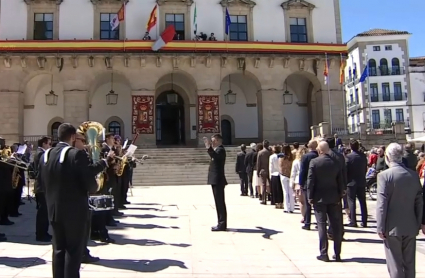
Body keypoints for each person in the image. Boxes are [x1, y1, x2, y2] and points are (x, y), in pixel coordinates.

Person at [39, 123, 104, 278]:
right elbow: (90, 185)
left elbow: (41, 183)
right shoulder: (76, 154)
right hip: (74, 212)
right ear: (73, 137)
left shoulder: (46, 155)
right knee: (73, 251)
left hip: (53, 210)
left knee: (58, 249)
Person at [376, 143, 423, 278]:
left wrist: (380, 226)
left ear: (388, 157)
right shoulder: (413, 175)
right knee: (409, 264)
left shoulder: (384, 176)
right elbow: (419, 202)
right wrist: (418, 223)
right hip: (410, 225)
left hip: (391, 226)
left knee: (395, 263)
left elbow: (382, 204)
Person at [74, 132, 114, 263]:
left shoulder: (80, 154)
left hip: (79, 195)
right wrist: (104, 162)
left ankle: (87, 245)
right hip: (79, 197)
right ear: (75, 140)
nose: (85, 143)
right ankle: (82, 253)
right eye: (82, 140)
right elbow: (88, 172)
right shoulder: (77, 155)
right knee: (81, 227)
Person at [307, 142, 344, 262]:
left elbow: (310, 181)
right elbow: (340, 181)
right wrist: (340, 195)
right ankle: (337, 254)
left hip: (319, 198)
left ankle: (324, 253)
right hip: (334, 198)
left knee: (321, 225)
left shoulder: (315, 162)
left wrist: (310, 196)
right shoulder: (336, 162)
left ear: (320, 150)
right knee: (336, 226)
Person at [204, 134, 227, 232]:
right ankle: (220, 223)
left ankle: (222, 224)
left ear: (217, 140)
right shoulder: (217, 150)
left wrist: (209, 147)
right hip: (216, 180)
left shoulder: (220, 150)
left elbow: (215, 157)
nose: (212, 142)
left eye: (213, 141)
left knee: (220, 203)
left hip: (218, 180)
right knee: (218, 203)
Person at [345, 139, 368, 227]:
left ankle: (353, 221)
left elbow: (346, 170)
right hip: (361, 181)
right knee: (362, 201)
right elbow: (365, 168)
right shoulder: (363, 156)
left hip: (351, 182)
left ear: (350, 146)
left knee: (351, 202)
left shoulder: (348, 157)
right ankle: (364, 221)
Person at [34, 136, 52, 242]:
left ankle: (43, 232)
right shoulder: (41, 153)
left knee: (44, 211)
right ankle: (41, 234)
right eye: (49, 144)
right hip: (41, 187)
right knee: (43, 212)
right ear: (44, 144)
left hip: (41, 186)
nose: (50, 146)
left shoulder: (40, 153)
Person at [299, 140, 318, 230]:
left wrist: (301, 183)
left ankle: (307, 222)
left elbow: (302, 171)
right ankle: (320, 222)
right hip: (318, 182)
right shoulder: (319, 155)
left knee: (308, 204)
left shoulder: (305, 157)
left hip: (307, 182)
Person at [279, 144, 294, 212]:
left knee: (285, 192)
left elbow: (280, 166)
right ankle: (292, 208)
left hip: (283, 175)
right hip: (290, 175)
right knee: (291, 193)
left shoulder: (281, 157)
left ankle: (286, 208)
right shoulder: (292, 156)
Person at [257, 140, 272, 205]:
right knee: (271, 185)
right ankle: (272, 198)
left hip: (263, 170)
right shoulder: (270, 152)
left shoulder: (260, 153)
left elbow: (258, 163)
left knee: (264, 185)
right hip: (270, 170)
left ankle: (264, 199)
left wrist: (258, 171)